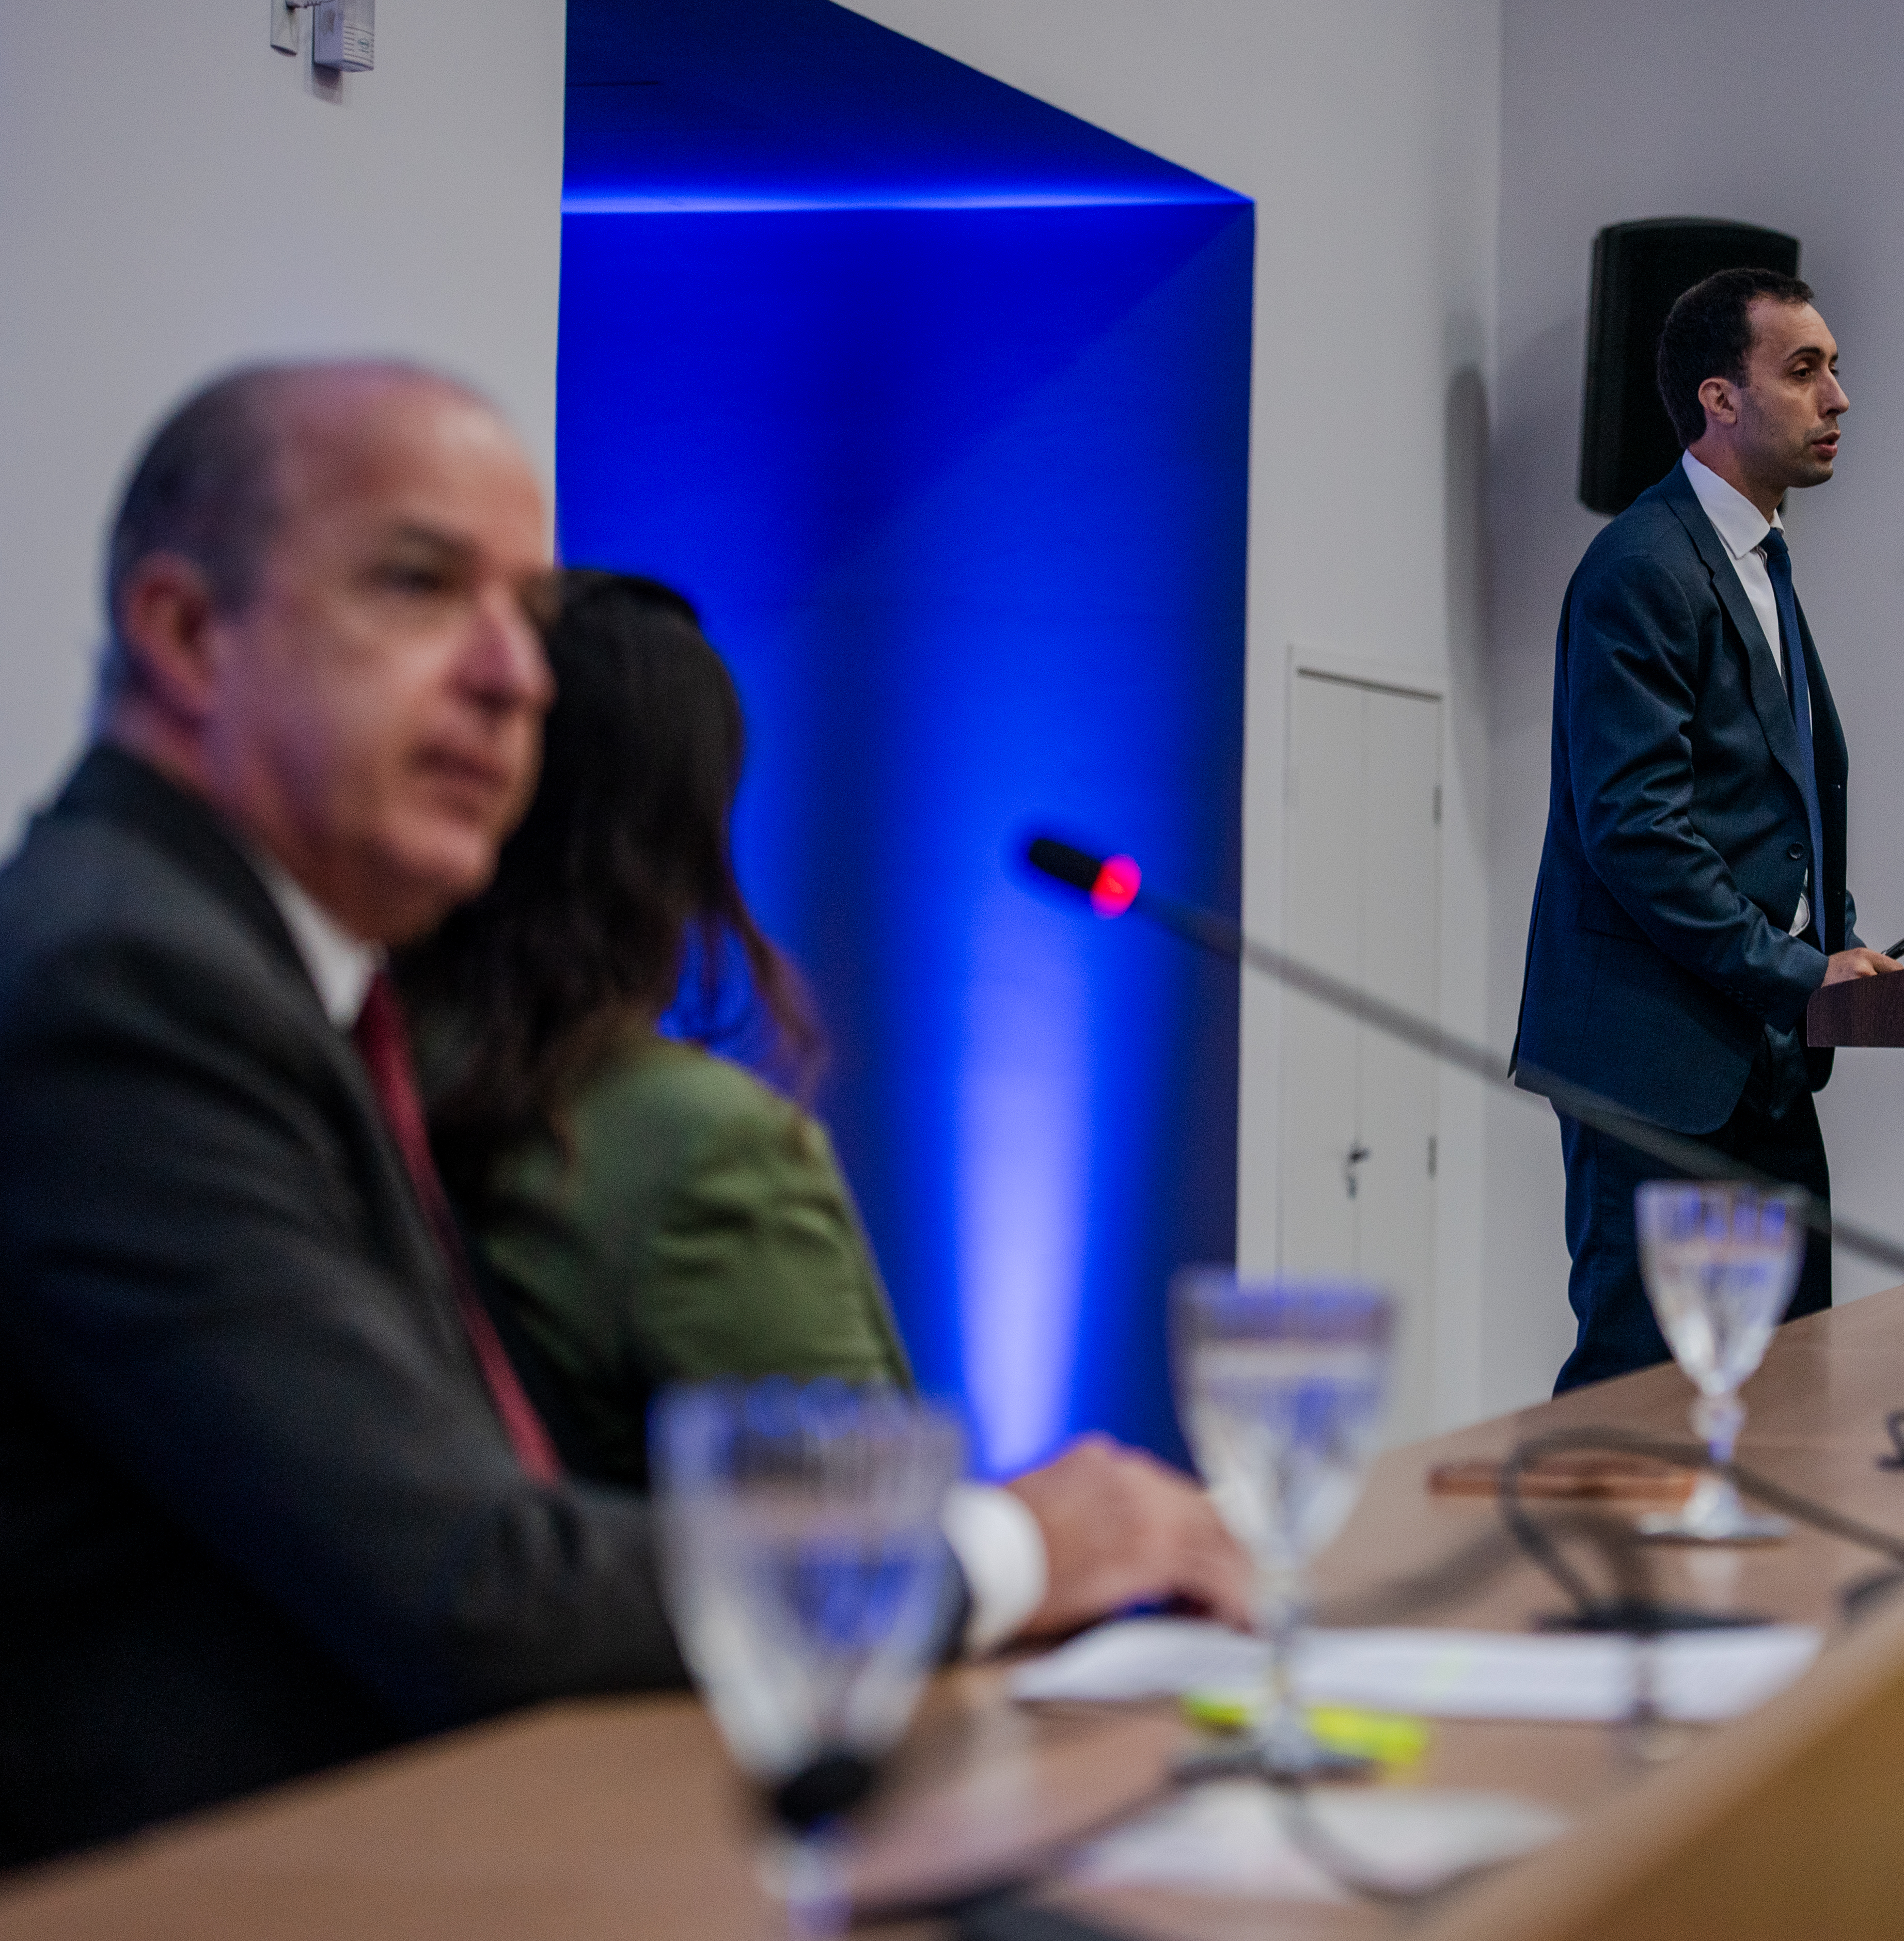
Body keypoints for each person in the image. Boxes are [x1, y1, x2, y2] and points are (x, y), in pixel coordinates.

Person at [0, 364, 1229, 1870]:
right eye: (420, 583)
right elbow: (477, 1584)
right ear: (186, 631)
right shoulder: (127, 984)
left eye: (525, 612)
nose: (515, 676)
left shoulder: (260, 974)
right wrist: (1024, 1544)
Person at [400, 570, 1244, 1652]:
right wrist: (1045, 1545)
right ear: (683, 831)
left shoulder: (358, 1074)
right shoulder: (703, 1150)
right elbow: (878, 1576)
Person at [1513, 270, 1901, 1393]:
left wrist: (1838, 942)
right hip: (1655, 1071)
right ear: (1718, 399)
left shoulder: (1758, 565)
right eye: (1803, 369)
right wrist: (1797, 969)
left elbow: (1763, 808)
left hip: (1758, 1064)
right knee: (1646, 1390)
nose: (1837, 397)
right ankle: (1598, 1575)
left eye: (1833, 367)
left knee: (1785, 1387)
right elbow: (1635, 828)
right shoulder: (1642, 565)